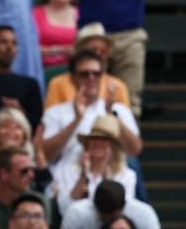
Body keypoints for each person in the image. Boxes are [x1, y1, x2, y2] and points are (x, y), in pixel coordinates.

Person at [76, 0, 162, 116]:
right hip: (95, 35)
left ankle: (126, 140)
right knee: (89, 95)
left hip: (130, 35)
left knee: (129, 100)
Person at [40, 50, 141, 178]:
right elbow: (44, 154)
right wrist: (76, 120)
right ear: (72, 78)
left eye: (96, 74)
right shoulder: (55, 112)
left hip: (111, 180)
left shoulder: (117, 109)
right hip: (67, 180)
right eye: (84, 74)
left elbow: (135, 149)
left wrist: (111, 116)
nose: (91, 78)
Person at [53, 114, 138, 216]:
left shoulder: (127, 175)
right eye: (94, 138)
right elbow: (65, 208)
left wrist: (103, 170)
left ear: (114, 146)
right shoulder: (69, 169)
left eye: (105, 140)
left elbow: (121, 211)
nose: (98, 142)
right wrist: (83, 176)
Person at [43, 22, 129, 109]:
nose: (98, 55)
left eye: (103, 51)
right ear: (79, 52)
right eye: (92, 50)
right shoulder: (57, 84)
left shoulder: (118, 86)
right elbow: (51, 120)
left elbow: (125, 120)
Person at [32, 0, 79, 74]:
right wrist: (57, 50)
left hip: (76, 74)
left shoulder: (82, 15)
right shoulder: (34, 14)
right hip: (41, 72)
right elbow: (26, 49)